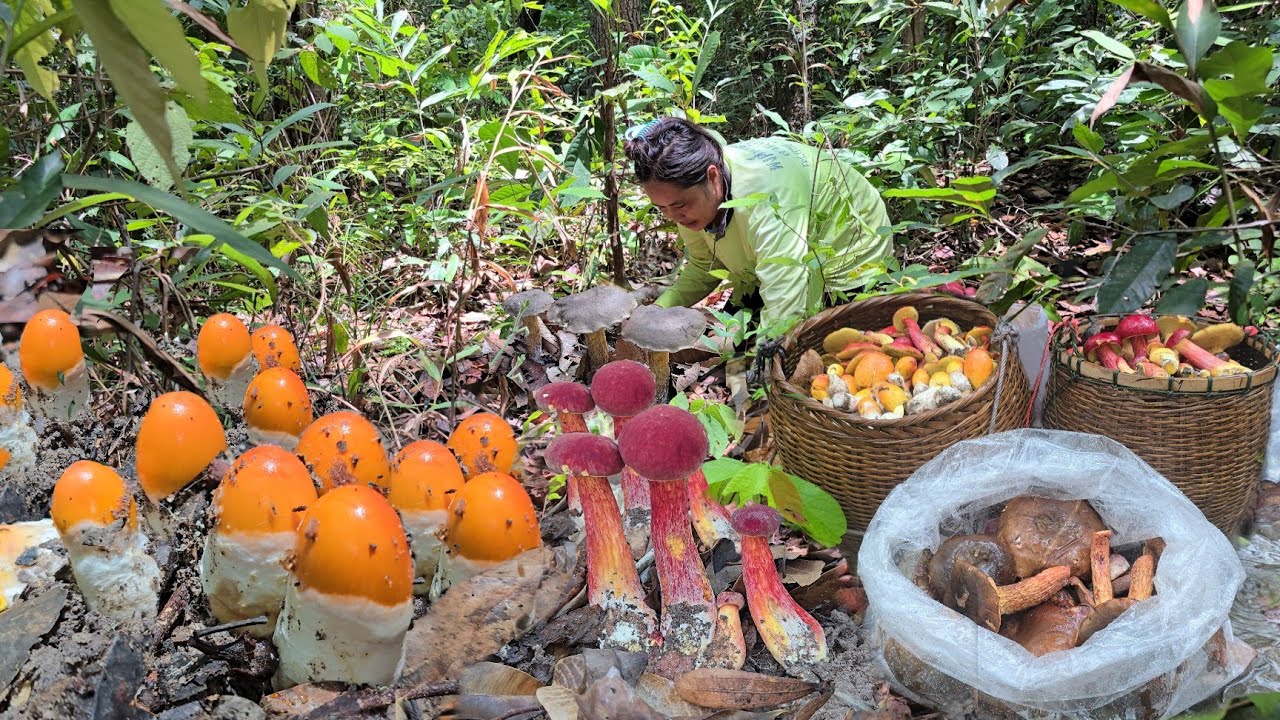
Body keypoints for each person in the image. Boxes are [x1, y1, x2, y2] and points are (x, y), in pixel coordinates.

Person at [623, 117, 892, 338]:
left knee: (786, 359)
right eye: (662, 208)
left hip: (848, 259)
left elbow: (785, 299)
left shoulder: (765, 198)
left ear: (713, 176)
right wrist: (660, 309)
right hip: (765, 269)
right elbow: (705, 265)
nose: (674, 216)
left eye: (679, 205)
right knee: (729, 351)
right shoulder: (688, 195)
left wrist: (763, 358)